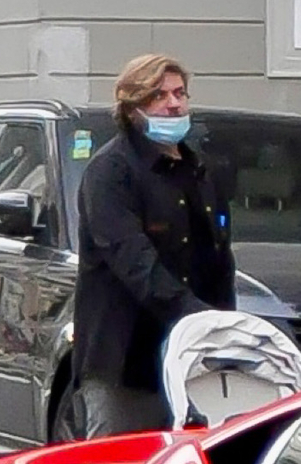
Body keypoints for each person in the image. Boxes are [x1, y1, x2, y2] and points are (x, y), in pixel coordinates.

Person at [71, 52, 234, 436]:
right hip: (127, 364)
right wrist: (198, 318)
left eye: (180, 93)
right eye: (158, 96)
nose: (174, 104)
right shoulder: (111, 172)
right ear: (132, 108)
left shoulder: (199, 171)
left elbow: (219, 261)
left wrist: (225, 328)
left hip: (193, 363)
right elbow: (134, 261)